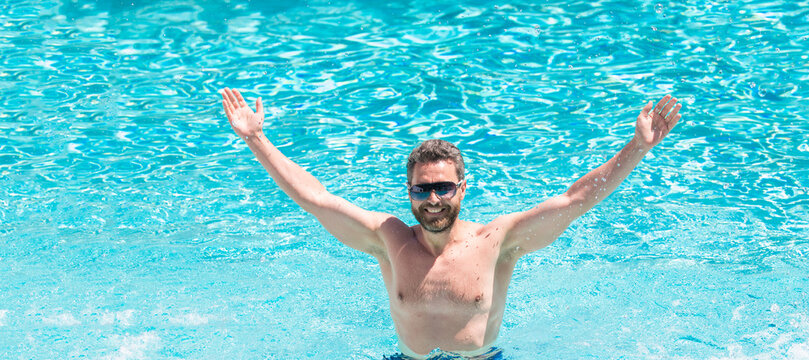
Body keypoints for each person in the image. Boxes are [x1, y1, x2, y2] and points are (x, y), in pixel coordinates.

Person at [220, 88, 682, 359]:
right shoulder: (389, 239)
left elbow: (576, 198)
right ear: (409, 193)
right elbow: (314, 198)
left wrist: (637, 148)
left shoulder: (499, 240)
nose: (433, 199)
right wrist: (256, 139)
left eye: (443, 188)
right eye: (422, 190)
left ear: (463, 188)